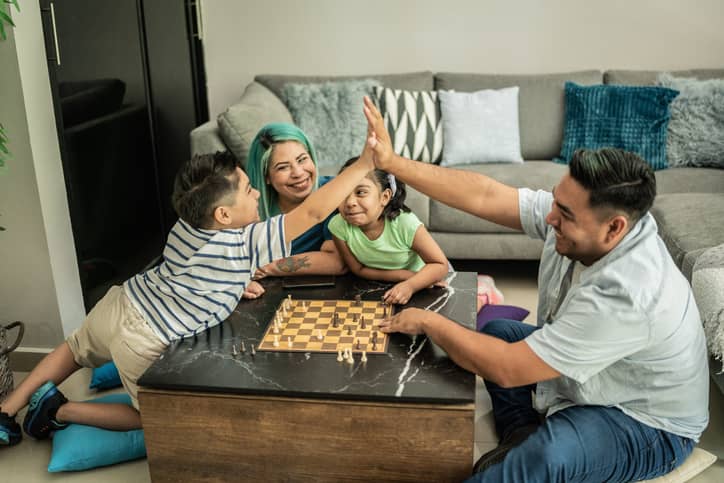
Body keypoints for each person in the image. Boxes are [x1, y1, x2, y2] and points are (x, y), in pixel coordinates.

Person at [360, 96, 709, 482]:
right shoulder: (583, 221)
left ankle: (528, 451)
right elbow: (485, 195)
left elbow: (508, 370)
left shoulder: (628, 293)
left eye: (565, 215)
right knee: (498, 333)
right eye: (556, 203)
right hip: (600, 373)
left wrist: (430, 323)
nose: (549, 218)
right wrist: (393, 164)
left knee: (550, 454)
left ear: (615, 228)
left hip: (646, 421)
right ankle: (519, 434)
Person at [0, 130, 376, 445]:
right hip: (145, 339)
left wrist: (230, 285)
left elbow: (201, 273)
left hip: (123, 300)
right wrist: (363, 164)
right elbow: (309, 213)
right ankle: (58, 410)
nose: (258, 194)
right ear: (224, 215)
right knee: (156, 418)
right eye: (248, 190)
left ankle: (5, 411)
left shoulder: (187, 224)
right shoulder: (241, 246)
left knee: (74, 348)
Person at [329, 157, 449, 305]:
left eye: (360, 192)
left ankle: (483, 293)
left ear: (384, 197)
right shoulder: (338, 226)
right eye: (343, 192)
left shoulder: (405, 223)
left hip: (427, 281)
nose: (350, 202)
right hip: (395, 282)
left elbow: (440, 265)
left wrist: (411, 284)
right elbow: (358, 269)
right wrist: (405, 277)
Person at [244, 123, 347, 294]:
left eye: (302, 159)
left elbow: (337, 261)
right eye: (283, 167)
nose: (298, 172)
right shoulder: (252, 204)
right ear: (266, 177)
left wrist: (270, 267)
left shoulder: (331, 193)